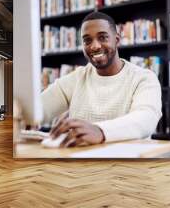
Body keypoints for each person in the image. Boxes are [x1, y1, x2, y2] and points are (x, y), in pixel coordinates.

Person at [41, 11, 162, 147]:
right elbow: (39, 108)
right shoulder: (76, 78)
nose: (95, 46)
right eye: (87, 40)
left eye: (103, 38)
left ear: (116, 40)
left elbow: (146, 119)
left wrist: (100, 131)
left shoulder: (144, 78)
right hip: (83, 162)